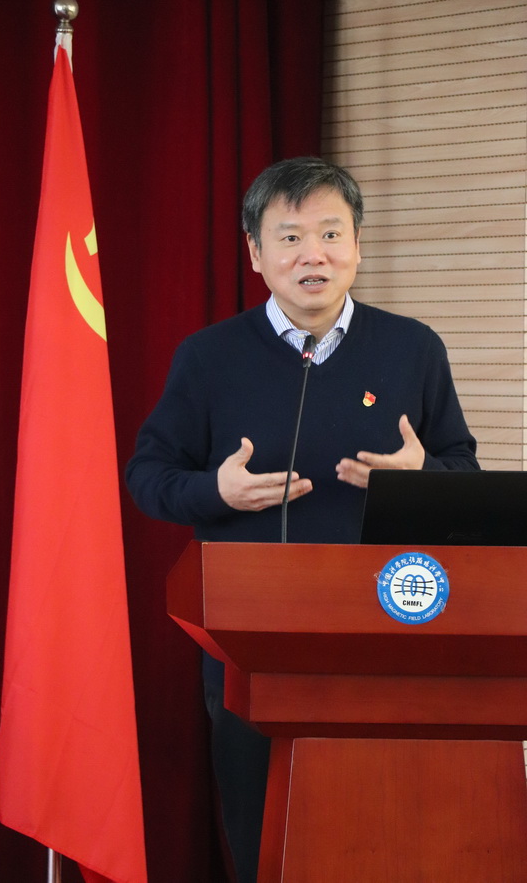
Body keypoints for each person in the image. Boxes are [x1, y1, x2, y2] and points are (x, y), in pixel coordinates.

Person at [126, 156, 479, 882]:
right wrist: (217, 492)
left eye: (330, 233)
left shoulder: (413, 348)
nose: (312, 254)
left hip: (387, 636)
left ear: (358, 246)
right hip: (249, 642)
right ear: (256, 254)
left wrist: (420, 480)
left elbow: (465, 478)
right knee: (264, 839)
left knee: (379, 837)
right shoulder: (208, 358)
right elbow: (148, 480)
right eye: (289, 237)